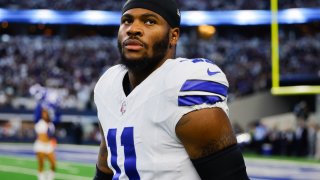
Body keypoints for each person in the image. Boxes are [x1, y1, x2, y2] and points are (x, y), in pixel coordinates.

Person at [94, 0, 249, 179]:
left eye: (149, 21)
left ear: (173, 36)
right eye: (127, 20)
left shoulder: (184, 87)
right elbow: (106, 166)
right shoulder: (108, 85)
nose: (133, 29)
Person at [33, 108, 56, 180]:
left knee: (53, 163)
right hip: (40, 145)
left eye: (45, 113)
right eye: (43, 113)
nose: (44, 115)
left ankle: (50, 177)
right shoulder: (40, 123)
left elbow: (52, 136)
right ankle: (41, 178)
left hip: (48, 145)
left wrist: (53, 141)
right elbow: (42, 136)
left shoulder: (51, 124)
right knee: (41, 163)